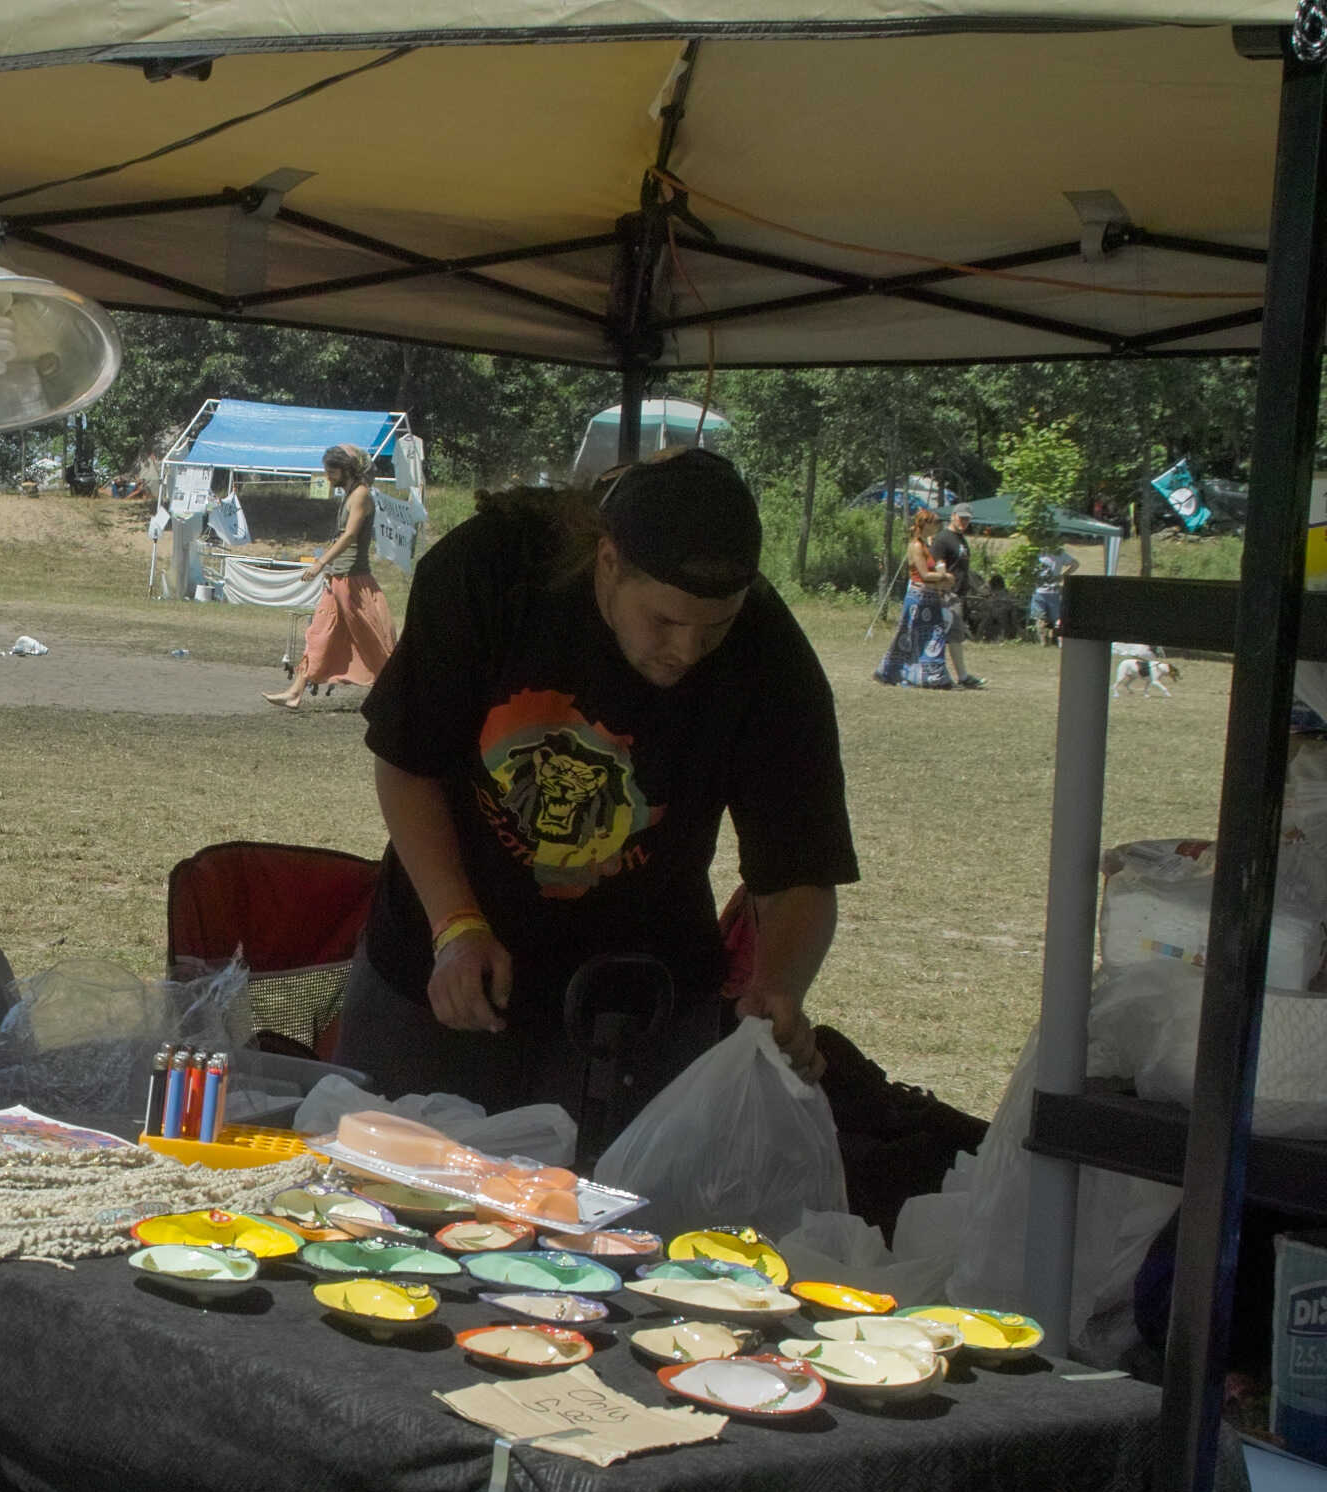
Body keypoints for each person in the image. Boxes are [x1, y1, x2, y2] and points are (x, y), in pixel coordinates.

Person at [340, 448, 858, 1121]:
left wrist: (777, 988)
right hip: (441, 974)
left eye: (716, 627)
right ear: (609, 563)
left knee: (616, 1189)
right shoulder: (492, 571)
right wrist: (457, 926)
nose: (688, 651)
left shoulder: (767, 651)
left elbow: (798, 869)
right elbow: (410, 764)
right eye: (666, 621)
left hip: (638, 1007)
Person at [266, 444, 396, 708]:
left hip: (355, 581)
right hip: (337, 579)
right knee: (318, 635)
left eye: (332, 471)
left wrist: (320, 563)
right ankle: (295, 693)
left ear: (347, 469)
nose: (327, 476)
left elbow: (349, 536)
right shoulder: (349, 494)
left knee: (376, 640)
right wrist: (328, 568)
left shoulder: (361, 495)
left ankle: (401, 692)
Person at [872, 508, 959, 688]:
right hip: (919, 599)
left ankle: (930, 676)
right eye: (935, 522)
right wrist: (946, 577)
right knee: (910, 636)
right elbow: (924, 574)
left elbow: (934, 569)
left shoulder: (926, 545)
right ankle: (892, 671)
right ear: (926, 524)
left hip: (931, 598)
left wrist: (942, 575)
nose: (938, 525)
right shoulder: (916, 546)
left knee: (931, 636)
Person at [932, 505, 986, 687]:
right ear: (953, 516)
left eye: (967, 519)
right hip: (947, 594)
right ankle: (956, 676)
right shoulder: (943, 538)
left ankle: (961, 676)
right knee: (950, 634)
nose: (964, 522)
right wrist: (941, 588)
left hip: (958, 594)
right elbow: (939, 565)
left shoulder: (960, 539)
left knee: (955, 635)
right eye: (961, 518)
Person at [1030, 545, 1076, 644]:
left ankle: (1048, 641)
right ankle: (1048, 641)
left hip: (1048, 591)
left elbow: (1075, 564)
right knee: (1047, 618)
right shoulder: (1037, 552)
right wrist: (1062, 576)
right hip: (1044, 591)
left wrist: (1062, 576)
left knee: (1046, 618)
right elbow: (1075, 564)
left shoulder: (1041, 553)